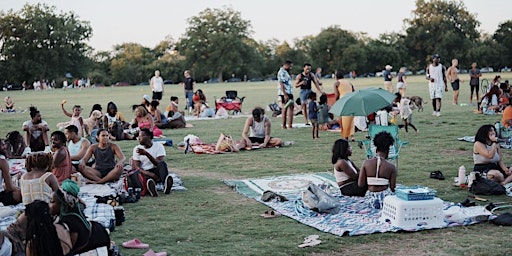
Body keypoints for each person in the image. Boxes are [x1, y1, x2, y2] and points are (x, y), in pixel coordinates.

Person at [49, 180, 110, 254]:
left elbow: (70, 249)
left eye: (52, 202)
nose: (49, 205)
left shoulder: (69, 222)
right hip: (98, 231)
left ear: (62, 205)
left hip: (97, 242)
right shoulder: (73, 210)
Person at [358, 131, 397, 209]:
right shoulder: (391, 167)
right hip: (385, 200)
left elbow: (360, 184)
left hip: (370, 198)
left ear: (376, 149)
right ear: (388, 150)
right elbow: (393, 188)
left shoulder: (366, 163)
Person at [131, 128, 173, 197]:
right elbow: (136, 167)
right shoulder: (137, 148)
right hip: (145, 172)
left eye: (141, 136)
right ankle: (152, 189)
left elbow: (158, 163)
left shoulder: (159, 146)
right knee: (146, 179)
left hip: (156, 170)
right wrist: (150, 174)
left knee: (163, 164)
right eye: (138, 136)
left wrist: (146, 154)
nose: (139, 138)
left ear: (149, 137)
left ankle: (165, 186)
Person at [334, 71, 356, 141]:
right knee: (351, 119)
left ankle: (345, 136)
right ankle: (352, 136)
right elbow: (353, 91)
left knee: (344, 119)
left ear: (336, 77)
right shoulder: (349, 82)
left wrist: (336, 102)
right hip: (351, 100)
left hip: (343, 101)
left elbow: (336, 95)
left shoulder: (337, 83)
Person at [0, 139, 22, 206]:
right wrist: (18, 188)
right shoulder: (2, 161)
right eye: (2, 145)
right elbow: (9, 188)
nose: (5, 147)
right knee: (20, 193)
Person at [277, 60, 294, 129]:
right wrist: (285, 94)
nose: (290, 67)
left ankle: (290, 125)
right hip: (285, 93)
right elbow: (281, 84)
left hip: (289, 92)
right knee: (285, 108)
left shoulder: (286, 72)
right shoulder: (281, 72)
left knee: (291, 107)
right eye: (290, 66)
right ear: (286, 65)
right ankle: (284, 125)